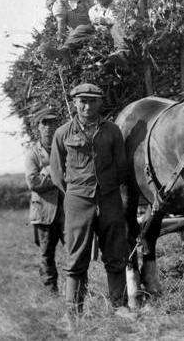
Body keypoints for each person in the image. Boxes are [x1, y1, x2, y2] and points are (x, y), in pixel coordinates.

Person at [50, 83, 129, 324]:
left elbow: (122, 167)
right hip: (77, 200)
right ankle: (73, 311)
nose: (87, 105)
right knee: (76, 256)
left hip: (109, 199)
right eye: (82, 101)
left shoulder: (113, 131)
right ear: (74, 103)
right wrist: (77, 194)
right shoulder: (62, 133)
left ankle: (119, 305)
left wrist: (108, 190)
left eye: (92, 101)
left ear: (100, 103)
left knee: (116, 251)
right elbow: (56, 173)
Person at [25, 108, 64, 294]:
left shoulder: (64, 149)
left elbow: (74, 173)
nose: (49, 128)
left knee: (76, 251)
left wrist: (48, 173)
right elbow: (33, 181)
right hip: (44, 212)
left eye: (53, 123)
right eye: (44, 123)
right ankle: (51, 292)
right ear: (38, 128)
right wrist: (58, 177)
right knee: (46, 254)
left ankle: (79, 289)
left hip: (66, 212)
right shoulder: (33, 154)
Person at [89, 0, 132, 68]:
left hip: (120, 36)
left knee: (115, 26)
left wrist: (108, 21)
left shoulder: (118, 3)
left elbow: (124, 22)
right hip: (104, 38)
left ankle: (122, 53)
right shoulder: (92, 11)